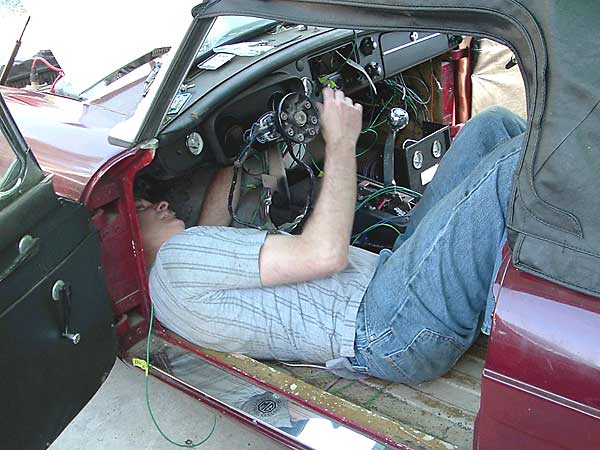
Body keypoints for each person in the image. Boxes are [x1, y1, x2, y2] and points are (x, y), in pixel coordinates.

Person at [137, 87, 526, 383]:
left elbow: (231, 199)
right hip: (389, 326)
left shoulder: (176, 289)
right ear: (131, 242)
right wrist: (342, 142)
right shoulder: (177, 259)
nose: (159, 205)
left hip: (390, 292)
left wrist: (288, 139)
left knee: (492, 128)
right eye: (143, 209)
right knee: (511, 162)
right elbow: (325, 254)